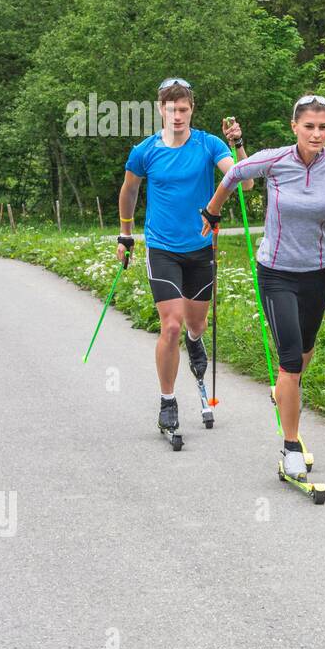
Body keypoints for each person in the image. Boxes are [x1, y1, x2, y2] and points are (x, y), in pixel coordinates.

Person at [200, 94, 325, 480]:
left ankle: (284, 392)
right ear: (294, 127)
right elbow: (234, 175)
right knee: (291, 360)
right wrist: (213, 212)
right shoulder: (275, 159)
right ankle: (292, 445)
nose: (316, 134)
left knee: (305, 353)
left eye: (323, 127)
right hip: (276, 271)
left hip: (317, 271)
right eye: (309, 126)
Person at [116, 78, 253, 436]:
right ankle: (167, 400)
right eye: (171, 108)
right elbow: (129, 190)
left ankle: (195, 342)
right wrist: (125, 234)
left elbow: (246, 181)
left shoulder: (208, 144)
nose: (177, 115)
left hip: (200, 249)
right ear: (160, 110)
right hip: (162, 248)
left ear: (192, 110)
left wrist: (238, 144)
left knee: (195, 326)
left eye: (184, 108)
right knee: (171, 324)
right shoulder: (145, 151)